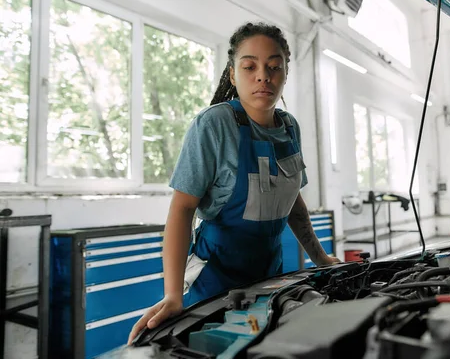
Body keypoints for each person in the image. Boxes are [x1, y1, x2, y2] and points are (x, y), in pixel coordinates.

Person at [128, 22, 340, 345]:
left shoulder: (289, 128)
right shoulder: (213, 125)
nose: (263, 76)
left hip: (270, 280)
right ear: (232, 74)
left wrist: (320, 257)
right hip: (214, 285)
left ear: (285, 73)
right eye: (250, 66)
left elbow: (292, 200)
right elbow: (182, 210)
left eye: (274, 67)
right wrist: (172, 295)